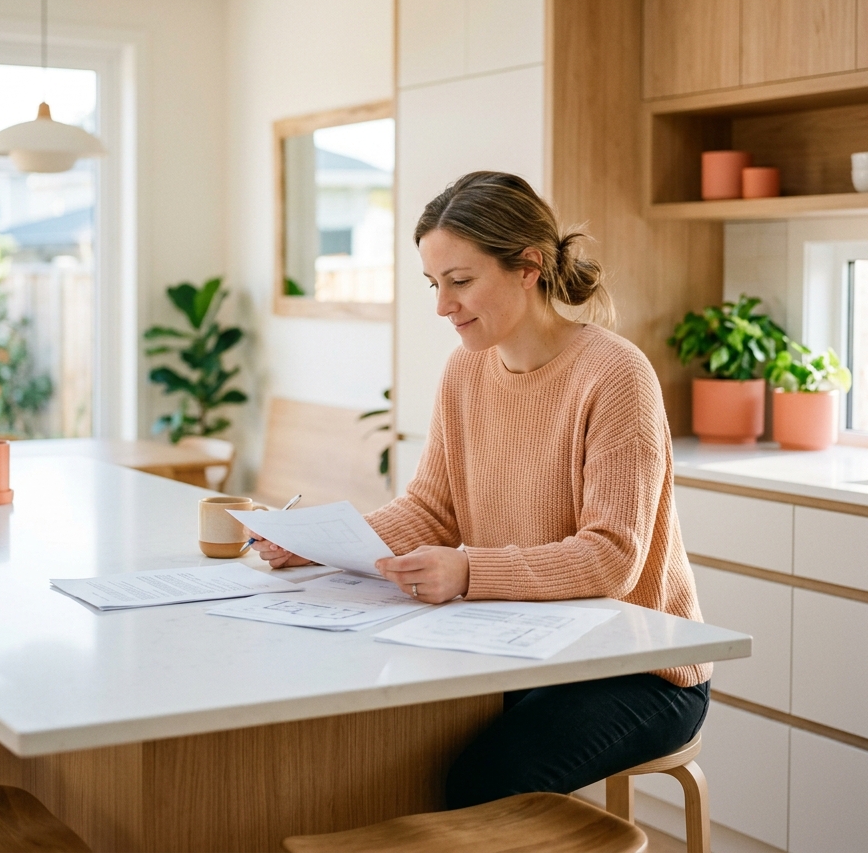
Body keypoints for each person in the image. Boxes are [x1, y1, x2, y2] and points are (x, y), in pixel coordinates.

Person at [251, 170, 710, 808]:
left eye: (461, 282)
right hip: (527, 644)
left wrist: (467, 571)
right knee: (393, 743)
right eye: (434, 284)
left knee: (484, 779)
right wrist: (317, 545)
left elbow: (611, 556)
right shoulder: (466, 370)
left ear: (528, 266)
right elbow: (432, 509)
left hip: (636, 667)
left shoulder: (615, 376)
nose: (443, 306)